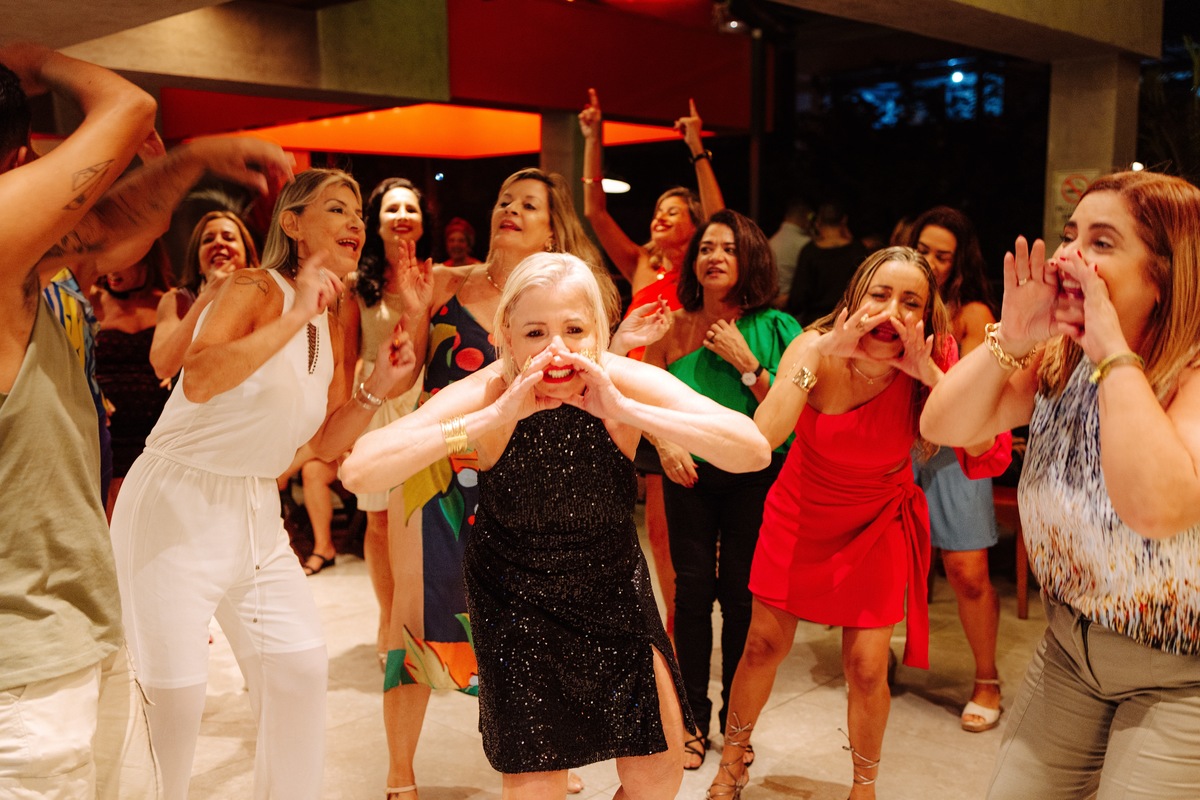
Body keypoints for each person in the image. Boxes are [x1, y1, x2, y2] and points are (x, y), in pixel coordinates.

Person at [342, 251, 772, 799]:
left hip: (614, 591)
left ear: (599, 329)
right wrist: (488, 421)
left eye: (575, 329)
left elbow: (753, 450)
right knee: (535, 789)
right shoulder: (494, 391)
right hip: (516, 604)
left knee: (658, 772)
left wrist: (626, 409)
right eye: (535, 332)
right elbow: (360, 470)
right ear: (507, 336)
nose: (557, 349)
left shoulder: (618, 381)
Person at [1, 41, 292, 799]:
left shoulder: (33, 263)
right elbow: (131, 108)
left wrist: (189, 162)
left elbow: (111, 228)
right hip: (19, 664)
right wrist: (33, 60)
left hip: (73, 630)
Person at [108, 169, 416, 800]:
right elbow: (197, 376)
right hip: (172, 504)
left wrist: (375, 390)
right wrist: (296, 309)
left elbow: (322, 443)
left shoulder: (330, 322)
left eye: (360, 211)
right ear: (293, 224)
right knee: (174, 700)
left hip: (253, 510)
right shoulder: (252, 286)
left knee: (298, 670)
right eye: (337, 208)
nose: (356, 222)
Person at [920, 171, 1200, 799]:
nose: (1069, 255)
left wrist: (1112, 352)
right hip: (1068, 649)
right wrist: (1012, 340)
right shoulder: (1061, 357)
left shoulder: (1191, 369)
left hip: (1183, 677)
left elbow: (1157, 510)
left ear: (1166, 270)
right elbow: (944, 425)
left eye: (1102, 243)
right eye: (1072, 235)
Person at [707, 247, 1010, 800]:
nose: (892, 310)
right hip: (800, 512)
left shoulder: (930, 359)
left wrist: (930, 373)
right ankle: (732, 761)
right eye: (880, 294)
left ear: (925, 313)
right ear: (856, 297)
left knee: (869, 667)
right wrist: (823, 350)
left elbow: (982, 444)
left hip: (877, 520)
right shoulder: (813, 347)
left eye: (909, 301)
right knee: (761, 648)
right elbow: (764, 436)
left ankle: (863, 789)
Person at [379, 166, 628, 799]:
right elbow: (398, 374)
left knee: (542, 616)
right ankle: (400, 776)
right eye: (504, 200)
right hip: (439, 468)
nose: (510, 210)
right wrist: (408, 311)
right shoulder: (441, 283)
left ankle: (552, 758)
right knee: (413, 617)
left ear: (553, 228)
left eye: (529, 205)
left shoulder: (564, 299)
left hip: (533, 473)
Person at [643, 209, 801, 769]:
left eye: (729, 249)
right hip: (687, 473)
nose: (714, 256)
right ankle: (688, 722)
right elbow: (644, 401)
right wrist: (665, 444)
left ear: (751, 258)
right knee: (689, 597)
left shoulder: (780, 329)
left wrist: (748, 364)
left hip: (755, 479)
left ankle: (736, 728)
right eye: (707, 247)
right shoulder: (672, 324)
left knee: (739, 601)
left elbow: (791, 419)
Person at [578, 86, 725, 638]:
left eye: (673, 212)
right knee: (656, 532)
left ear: (695, 226)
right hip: (628, 400)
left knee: (692, 529)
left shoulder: (700, 273)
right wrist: (593, 138)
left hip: (676, 398)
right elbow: (594, 209)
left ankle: (688, 621)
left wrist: (697, 148)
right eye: (658, 211)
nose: (661, 218)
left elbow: (722, 215)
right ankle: (670, 629)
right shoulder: (639, 262)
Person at [906, 206, 1005, 732]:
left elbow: (976, 393)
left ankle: (987, 679)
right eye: (923, 249)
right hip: (899, 443)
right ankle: (873, 663)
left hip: (955, 447)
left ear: (958, 263)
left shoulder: (972, 313)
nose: (931, 261)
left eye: (942, 255)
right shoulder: (896, 296)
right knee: (890, 562)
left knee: (967, 571)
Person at [340, 177, 429, 649]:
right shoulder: (360, 282)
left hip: (420, 406)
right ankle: (387, 620)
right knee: (377, 520)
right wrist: (343, 422)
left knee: (417, 519)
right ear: (375, 221)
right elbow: (346, 354)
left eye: (410, 208)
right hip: (372, 402)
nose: (401, 216)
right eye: (391, 208)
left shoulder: (439, 275)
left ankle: (417, 623)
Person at [91, 239, 172, 516]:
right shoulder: (91, 302)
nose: (112, 270)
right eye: (107, 260)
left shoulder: (171, 301)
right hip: (108, 430)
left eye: (122, 259)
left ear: (144, 255)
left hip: (158, 429)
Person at [150, 209, 260, 382]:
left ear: (246, 255)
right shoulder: (177, 301)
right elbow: (164, 367)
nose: (218, 243)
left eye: (228, 238)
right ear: (198, 264)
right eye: (208, 240)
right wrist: (209, 293)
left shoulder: (268, 296)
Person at [785, 201, 869, 326]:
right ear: (844, 220)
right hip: (848, 322)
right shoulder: (858, 250)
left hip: (816, 324)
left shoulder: (809, 252)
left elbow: (797, 300)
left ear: (818, 222)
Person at [769, 197, 813, 309]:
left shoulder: (770, 242)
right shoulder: (806, 245)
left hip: (769, 304)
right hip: (792, 308)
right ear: (806, 218)